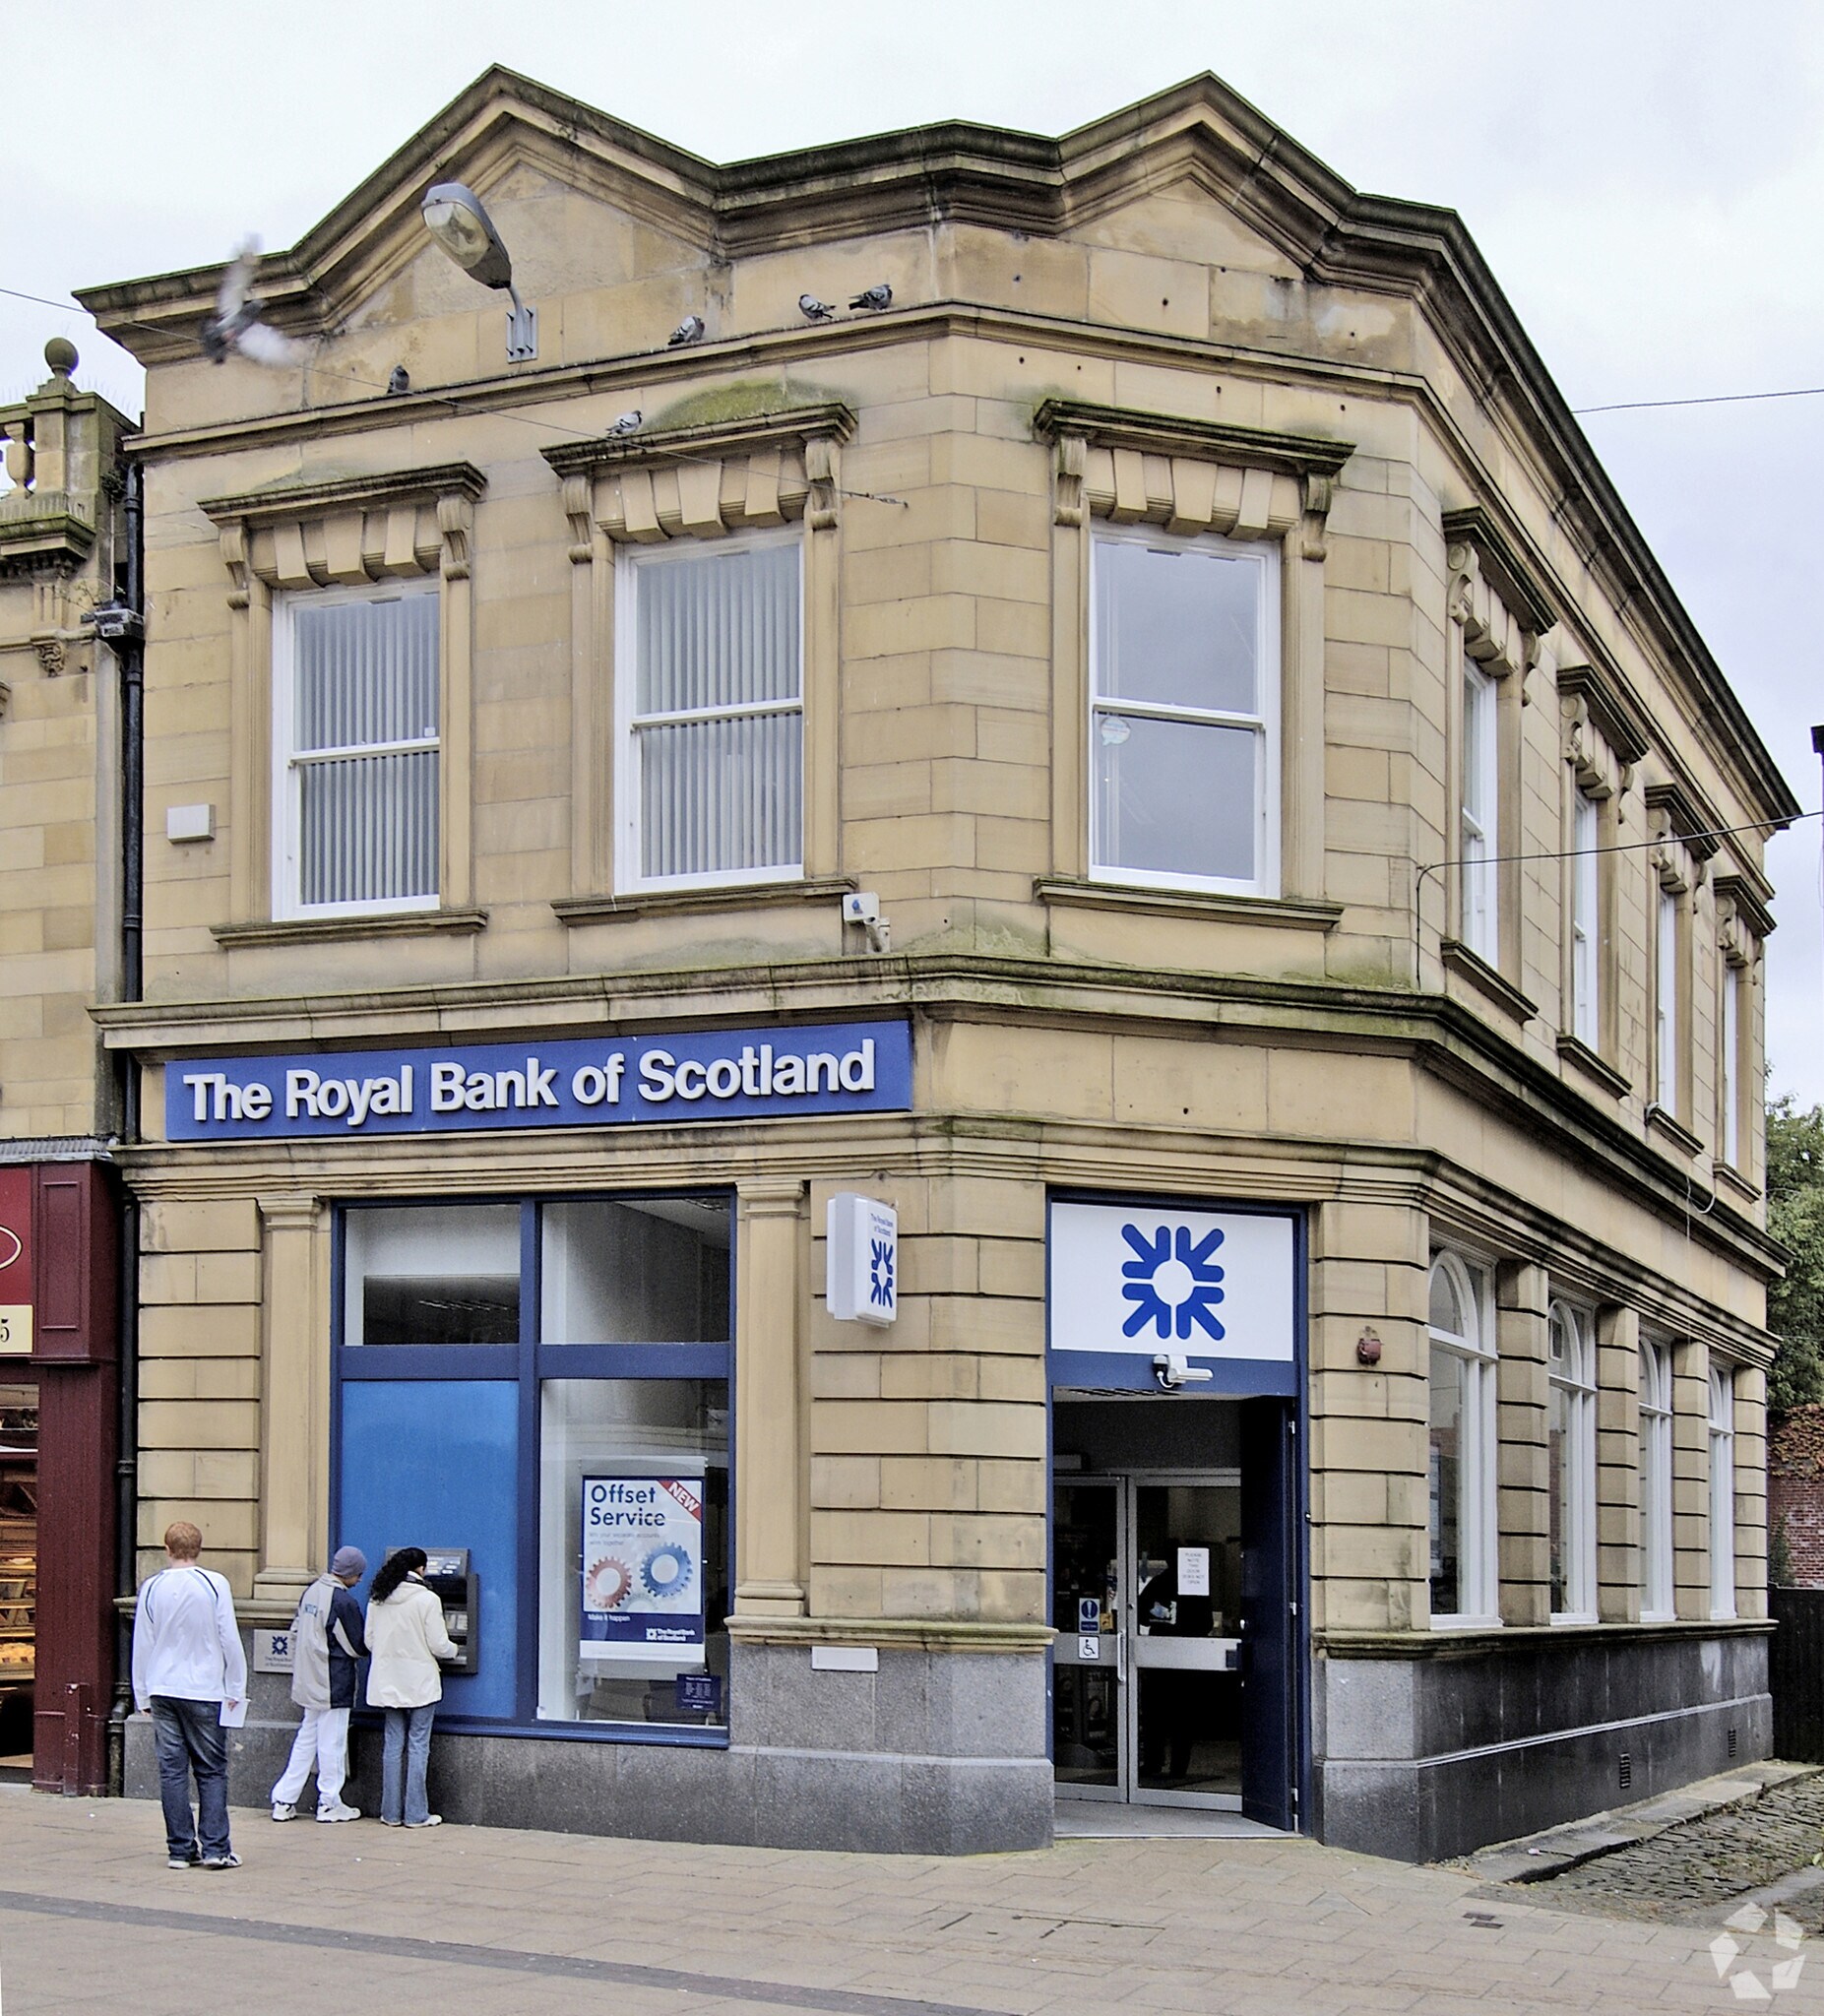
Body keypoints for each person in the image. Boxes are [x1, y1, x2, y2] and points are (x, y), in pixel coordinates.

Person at [131, 1521, 247, 1870]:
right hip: (205, 1687)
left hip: (163, 1688)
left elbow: (143, 1643)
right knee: (211, 1770)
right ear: (198, 1548)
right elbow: (229, 1637)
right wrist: (237, 1687)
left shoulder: (151, 1587)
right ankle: (215, 1848)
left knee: (172, 1771)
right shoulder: (214, 1584)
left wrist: (142, 1694)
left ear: (166, 1549)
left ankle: (180, 1850)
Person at [271, 1545, 368, 1822]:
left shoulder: (310, 1592)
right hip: (333, 1681)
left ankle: (284, 1799)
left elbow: (295, 1632)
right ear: (348, 1573)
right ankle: (329, 1802)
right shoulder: (343, 1602)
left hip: (308, 1680)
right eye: (358, 1574)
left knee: (306, 1740)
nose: (360, 1579)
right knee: (332, 1743)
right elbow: (357, 1646)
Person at [364, 1546, 457, 1828]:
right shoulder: (427, 1599)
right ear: (421, 1569)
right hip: (420, 1682)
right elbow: (439, 1645)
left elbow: (369, 1641)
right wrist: (454, 1649)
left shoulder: (378, 1598)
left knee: (392, 1745)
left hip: (388, 1681)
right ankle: (416, 1814)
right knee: (418, 1746)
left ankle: (390, 1813)